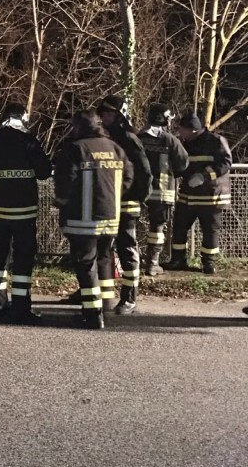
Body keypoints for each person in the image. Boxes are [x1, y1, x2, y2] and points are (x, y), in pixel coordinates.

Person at [0, 102, 52, 323]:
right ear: (23, 118)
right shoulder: (28, 142)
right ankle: (21, 308)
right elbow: (44, 172)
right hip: (24, 213)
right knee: (23, 260)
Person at [53, 109, 134, 330]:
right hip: (111, 219)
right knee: (102, 259)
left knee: (86, 266)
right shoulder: (115, 148)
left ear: (78, 127)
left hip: (83, 221)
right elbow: (128, 178)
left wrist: (61, 202)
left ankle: (92, 314)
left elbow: (65, 181)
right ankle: (104, 306)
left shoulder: (76, 149)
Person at [94, 95, 152, 315]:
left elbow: (145, 172)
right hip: (107, 202)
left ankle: (129, 298)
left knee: (126, 249)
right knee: (102, 248)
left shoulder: (129, 138)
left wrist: (140, 197)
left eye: (110, 113)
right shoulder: (104, 137)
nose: (106, 117)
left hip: (127, 203)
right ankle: (102, 294)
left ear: (120, 115)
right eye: (104, 113)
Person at [167, 112, 231, 273]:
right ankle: (178, 260)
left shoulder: (216, 141)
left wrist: (204, 176)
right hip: (188, 196)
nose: (180, 133)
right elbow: (182, 165)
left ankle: (208, 263)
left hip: (211, 196)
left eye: (182, 129)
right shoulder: (186, 143)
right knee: (180, 226)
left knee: (210, 230)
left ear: (192, 130)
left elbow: (225, 162)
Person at [138, 104, 189, 275]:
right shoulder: (169, 140)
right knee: (157, 227)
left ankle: (129, 261)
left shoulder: (138, 137)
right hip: (162, 192)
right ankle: (152, 263)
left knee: (130, 225)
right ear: (164, 119)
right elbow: (183, 163)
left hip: (136, 192)